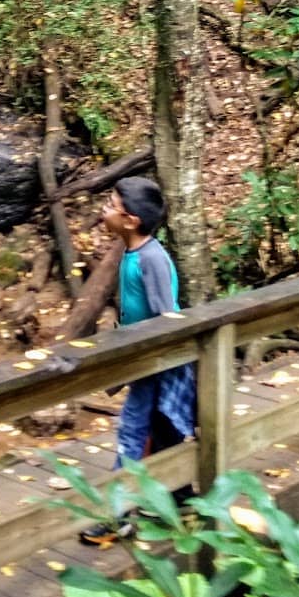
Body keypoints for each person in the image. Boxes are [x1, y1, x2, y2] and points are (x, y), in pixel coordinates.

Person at [78, 174, 195, 547]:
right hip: (144, 359)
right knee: (163, 432)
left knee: (133, 432)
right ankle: (181, 498)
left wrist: (161, 361)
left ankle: (118, 515)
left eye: (111, 205)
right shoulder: (132, 253)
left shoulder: (152, 258)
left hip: (157, 362)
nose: (104, 209)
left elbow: (166, 316)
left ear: (131, 220)